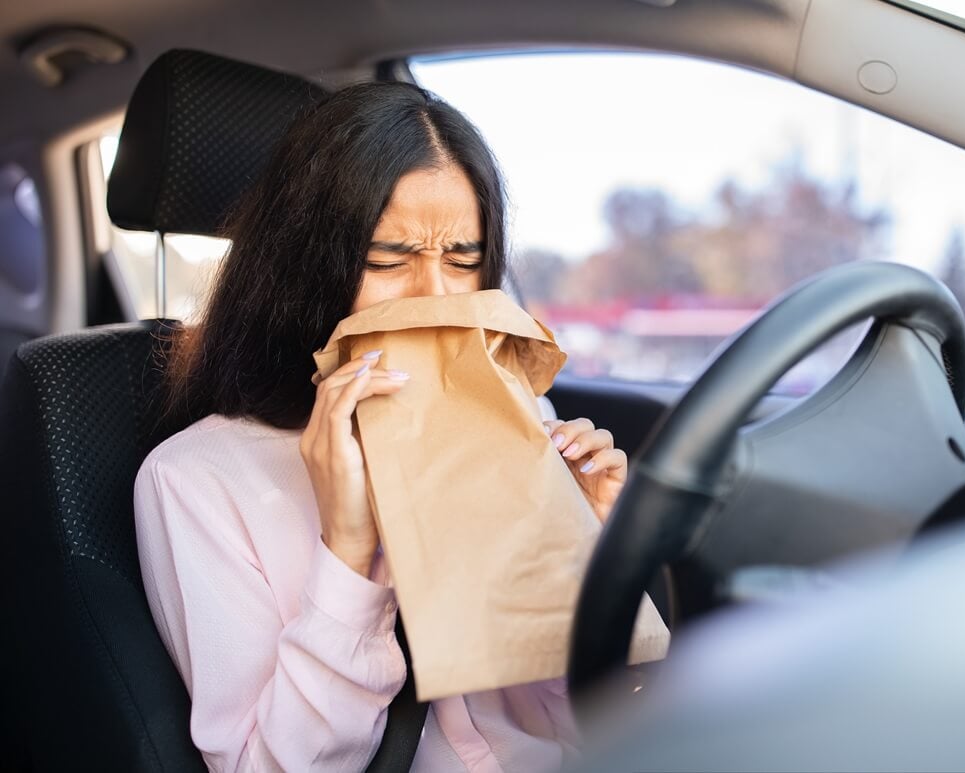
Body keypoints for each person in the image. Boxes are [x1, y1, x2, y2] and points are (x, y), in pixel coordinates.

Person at [134, 82, 628, 772]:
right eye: (387, 259)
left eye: (462, 259)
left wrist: (595, 558)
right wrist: (347, 557)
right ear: (305, 266)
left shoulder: (521, 415)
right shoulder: (198, 478)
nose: (435, 297)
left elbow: (592, 716)